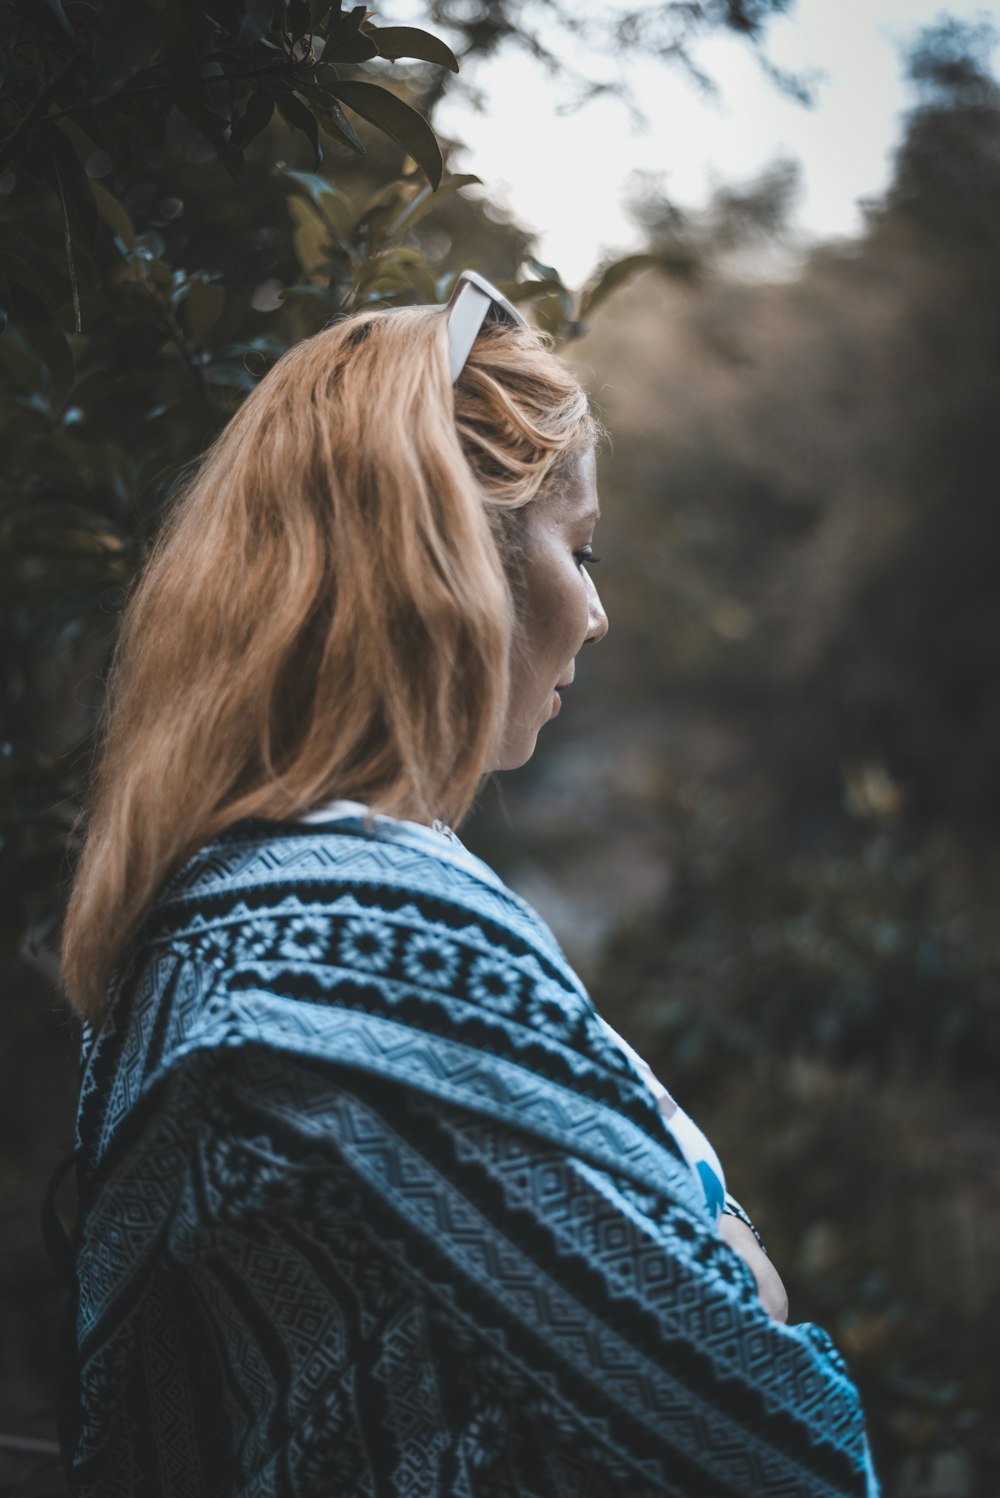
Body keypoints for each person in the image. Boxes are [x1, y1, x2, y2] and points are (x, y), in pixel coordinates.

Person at [57, 271, 879, 1496]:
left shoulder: (196, 918)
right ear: (449, 551)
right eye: (579, 548)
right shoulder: (359, 931)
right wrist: (738, 1256)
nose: (594, 614)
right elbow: (779, 1440)